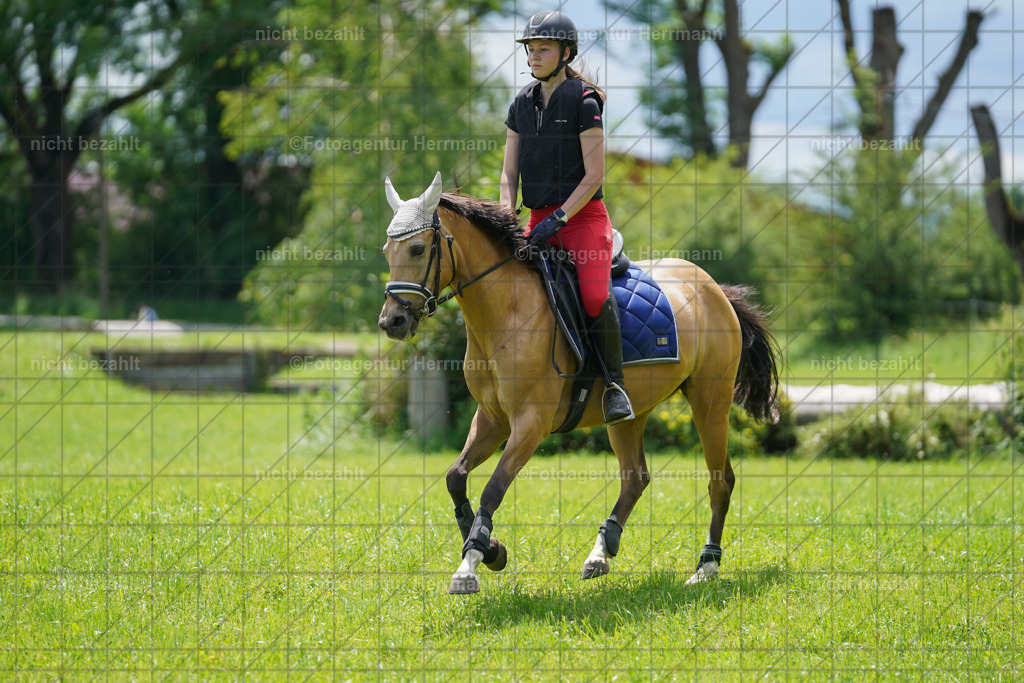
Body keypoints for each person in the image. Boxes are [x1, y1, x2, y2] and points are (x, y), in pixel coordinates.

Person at [499, 9, 633, 425]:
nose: (534, 56)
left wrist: (557, 219)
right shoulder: (520, 103)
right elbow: (508, 173)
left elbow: (594, 176)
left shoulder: (585, 101)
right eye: (531, 49)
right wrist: (506, 217)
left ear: (566, 52)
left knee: (594, 296)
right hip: (534, 221)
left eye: (543, 49)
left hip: (582, 219)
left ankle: (614, 386)